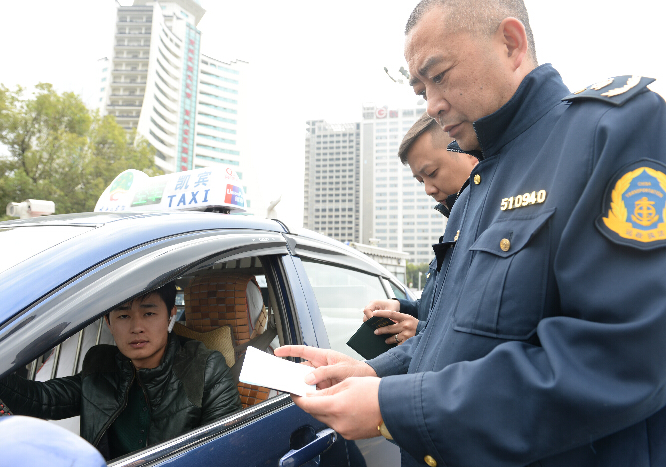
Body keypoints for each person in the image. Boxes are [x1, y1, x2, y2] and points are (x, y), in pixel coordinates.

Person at [276, 1, 666, 466]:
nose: (432, 105)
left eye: (439, 76)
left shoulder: (608, 131)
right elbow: (450, 340)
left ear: (511, 44)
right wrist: (369, 375)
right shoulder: (474, 193)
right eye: (421, 89)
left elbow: (624, 358)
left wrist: (392, 406)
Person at [0, 281, 242, 460]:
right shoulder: (103, 366)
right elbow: (40, 399)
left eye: (149, 313)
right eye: (123, 316)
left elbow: (226, 451)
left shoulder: (204, 368)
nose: (136, 327)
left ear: (170, 316)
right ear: (108, 322)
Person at [363, 112, 478, 346]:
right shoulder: (455, 227)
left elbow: (483, 329)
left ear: (470, 154)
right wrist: (401, 308)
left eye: (432, 173)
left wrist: (421, 333)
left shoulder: (489, 223)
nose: (428, 190)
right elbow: (439, 309)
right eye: (420, 181)